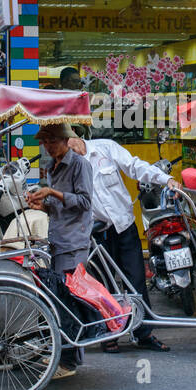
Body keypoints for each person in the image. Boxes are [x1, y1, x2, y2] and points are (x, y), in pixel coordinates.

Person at [69, 136, 172, 352]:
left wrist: (164, 179)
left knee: (135, 280)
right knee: (104, 285)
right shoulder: (68, 164)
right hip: (96, 233)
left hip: (123, 225)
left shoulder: (105, 148)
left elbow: (135, 166)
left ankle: (144, 332)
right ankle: (110, 333)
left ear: (76, 137)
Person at [28, 123, 95, 379]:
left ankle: (70, 362)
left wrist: (52, 192)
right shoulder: (52, 166)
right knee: (60, 301)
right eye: (45, 141)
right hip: (57, 239)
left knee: (69, 303)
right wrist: (41, 203)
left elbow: (85, 202)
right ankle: (65, 354)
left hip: (74, 241)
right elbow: (57, 207)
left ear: (66, 140)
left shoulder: (79, 164)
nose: (48, 145)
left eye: (52, 140)